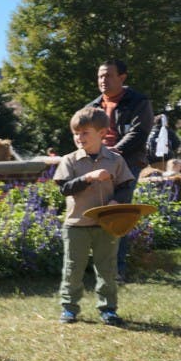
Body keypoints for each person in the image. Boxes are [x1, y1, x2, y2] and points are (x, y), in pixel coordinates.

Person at [53, 106, 133, 326]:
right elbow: (64, 189)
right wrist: (88, 177)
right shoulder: (69, 160)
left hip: (106, 225)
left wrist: (117, 201)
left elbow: (126, 186)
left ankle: (108, 309)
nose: (79, 138)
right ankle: (69, 308)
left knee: (107, 268)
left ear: (102, 133)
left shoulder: (115, 160)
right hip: (76, 225)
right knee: (73, 268)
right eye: (76, 133)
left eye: (85, 133)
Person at [86, 59, 153, 281]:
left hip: (127, 163)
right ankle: (96, 266)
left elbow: (139, 132)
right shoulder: (92, 107)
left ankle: (117, 270)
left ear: (122, 77)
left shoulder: (139, 102)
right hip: (97, 163)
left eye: (108, 75)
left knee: (118, 213)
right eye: (100, 76)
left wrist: (115, 152)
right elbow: (81, 132)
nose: (102, 80)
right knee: (95, 212)